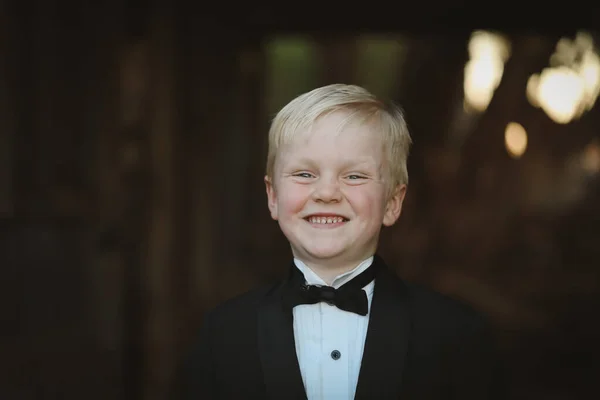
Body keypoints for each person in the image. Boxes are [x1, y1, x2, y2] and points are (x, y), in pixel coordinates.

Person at [173, 84, 506, 399]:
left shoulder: (456, 335)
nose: (327, 193)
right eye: (305, 174)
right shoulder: (223, 333)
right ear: (273, 197)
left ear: (392, 203)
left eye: (354, 176)